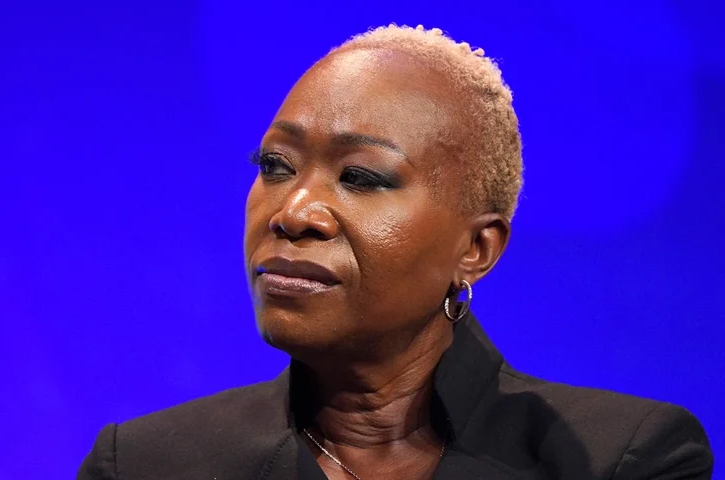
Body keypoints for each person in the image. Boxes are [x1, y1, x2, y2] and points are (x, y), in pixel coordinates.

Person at [76, 24, 713, 480]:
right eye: (275, 166)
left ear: (476, 248)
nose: (292, 213)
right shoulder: (146, 463)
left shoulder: (620, 458)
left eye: (360, 177)